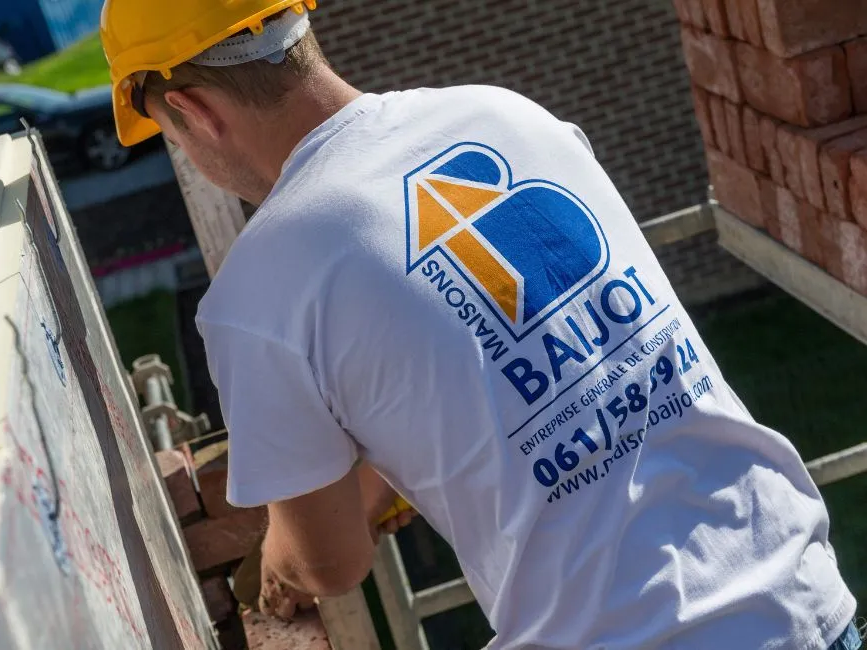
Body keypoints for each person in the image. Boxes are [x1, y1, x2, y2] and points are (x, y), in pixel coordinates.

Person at [100, 2, 860, 648]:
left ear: (193, 112)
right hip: (804, 600)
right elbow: (543, 374)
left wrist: (280, 555)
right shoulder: (504, 113)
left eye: (173, 136)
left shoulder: (258, 292)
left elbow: (329, 566)